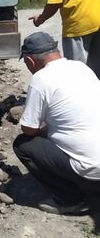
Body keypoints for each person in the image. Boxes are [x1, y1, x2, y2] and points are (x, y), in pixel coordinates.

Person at [13, 32, 100, 215]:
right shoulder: (81, 67)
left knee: (23, 144)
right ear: (57, 50)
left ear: (30, 61)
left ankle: (70, 199)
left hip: (92, 173)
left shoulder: (41, 79)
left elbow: (28, 129)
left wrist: (45, 130)